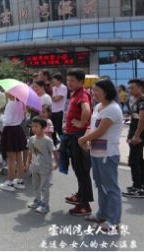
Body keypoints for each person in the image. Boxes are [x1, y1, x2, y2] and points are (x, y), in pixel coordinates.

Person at [77, 79, 123, 231]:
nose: (93, 93)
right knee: (100, 186)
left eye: (97, 90)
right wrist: (85, 136)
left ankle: (114, 220)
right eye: (93, 90)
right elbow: (92, 126)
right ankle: (102, 213)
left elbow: (101, 131)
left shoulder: (112, 109)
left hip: (108, 154)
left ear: (107, 91)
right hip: (96, 152)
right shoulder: (98, 107)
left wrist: (83, 139)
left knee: (110, 188)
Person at [60, 68, 94, 216]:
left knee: (82, 169)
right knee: (78, 168)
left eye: (72, 81)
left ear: (81, 81)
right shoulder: (75, 93)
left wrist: (81, 124)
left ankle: (85, 204)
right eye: (68, 80)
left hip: (78, 137)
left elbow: (86, 110)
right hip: (73, 136)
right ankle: (80, 195)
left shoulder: (83, 93)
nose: (69, 83)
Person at [26, 116, 59, 213]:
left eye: (36, 126)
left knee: (45, 187)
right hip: (35, 167)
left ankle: (45, 204)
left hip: (45, 168)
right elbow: (30, 151)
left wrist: (57, 163)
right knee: (35, 185)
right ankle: (37, 200)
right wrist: (28, 162)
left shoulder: (47, 140)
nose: (34, 129)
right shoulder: (32, 139)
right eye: (33, 126)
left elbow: (54, 151)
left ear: (44, 128)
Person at [0, 91, 27, 192]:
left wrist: (1, 116)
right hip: (18, 129)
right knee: (18, 156)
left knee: (11, 158)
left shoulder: (10, 103)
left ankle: (10, 183)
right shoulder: (19, 103)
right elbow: (22, 117)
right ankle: (19, 180)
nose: (4, 92)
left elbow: (8, 121)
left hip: (10, 130)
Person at [123, 78, 144, 197]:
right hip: (136, 135)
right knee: (139, 161)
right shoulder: (138, 101)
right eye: (129, 88)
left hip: (138, 137)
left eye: (132, 88)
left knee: (133, 161)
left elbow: (142, 119)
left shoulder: (142, 102)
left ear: (140, 88)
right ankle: (140, 184)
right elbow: (137, 118)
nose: (130, 90)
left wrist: (136, 136)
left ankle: (137, 188)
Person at [51, 73, 67, 146]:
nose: (53, 80)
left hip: (59, 111)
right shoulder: (53, 88)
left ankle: (63, 144)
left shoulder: (63, 88)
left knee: (59, 129)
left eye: (55, 79)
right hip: (52, 111)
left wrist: (53, 98)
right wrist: (53, 98)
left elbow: (58, 99)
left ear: (59, 80)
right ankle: (54, 143)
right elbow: (53, 98)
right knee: (52, 129)